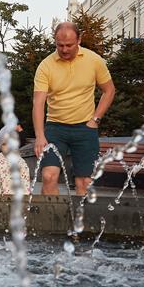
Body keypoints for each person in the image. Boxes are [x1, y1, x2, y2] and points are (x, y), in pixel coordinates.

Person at [32, 21, 116, 196]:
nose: (64, 50)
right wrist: (40, 135)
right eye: (59, 45)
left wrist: (96, 119)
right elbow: (38, 102)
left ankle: (79, 223)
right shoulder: (46, 65)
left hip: (85, 128)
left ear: (79, 39)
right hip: (55, 128)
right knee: (48, 176)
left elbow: (109, 90)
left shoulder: (94, 60)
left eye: (69, 45)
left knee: (84, 183)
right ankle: (51, 222)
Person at [0, 127, 31, 195]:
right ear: (0, 146)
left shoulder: (21, 163)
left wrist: (25, 198)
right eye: (4, 144)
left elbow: (26, 185)